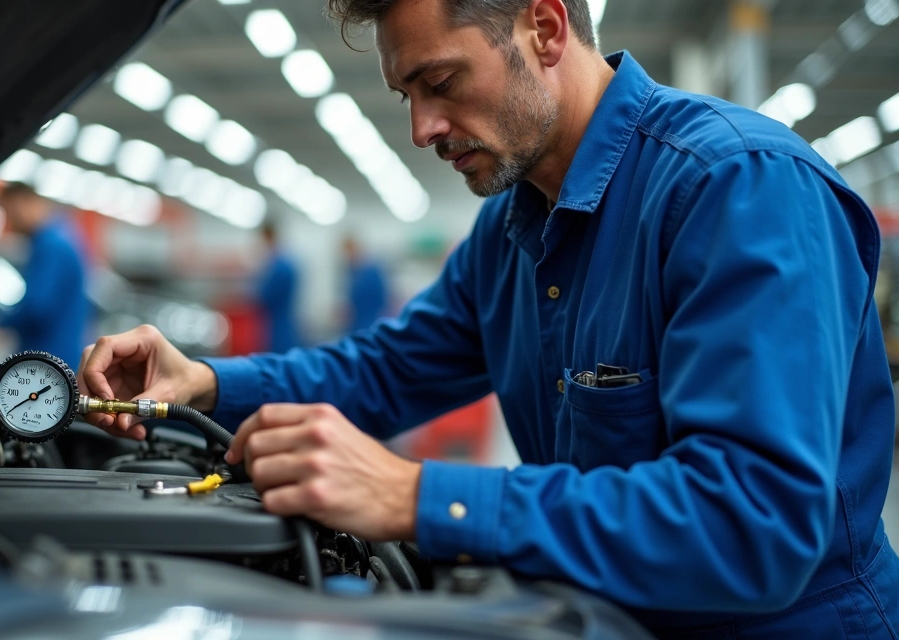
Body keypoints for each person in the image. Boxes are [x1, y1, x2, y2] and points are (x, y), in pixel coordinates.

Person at [78, 0, 899, 637]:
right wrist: (205, 383)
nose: (421, 128)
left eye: (440, 83)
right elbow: (391, 369)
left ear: (544, 28)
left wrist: (422, 496)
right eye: (407, 95)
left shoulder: (736, 189)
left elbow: (752, 523)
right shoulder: (512, 229)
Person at [0, 182, 91, 369]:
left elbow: (37, 307)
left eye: (8, 212)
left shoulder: (51, 247)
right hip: (59, 356)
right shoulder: (60, 238)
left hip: (48, 360)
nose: (8, 222)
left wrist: (0, 323)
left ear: (23, 203)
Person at [254, 222, 302, 353]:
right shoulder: (286, 263)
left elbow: (265, 296)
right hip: (283, 323)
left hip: (277, 326)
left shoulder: (279, 267)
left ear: (268, 237)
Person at [343, 236, 390, 333]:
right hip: (358, 324)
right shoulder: (355, 273)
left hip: (369, 323)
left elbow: (382, 300)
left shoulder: (371, 273)